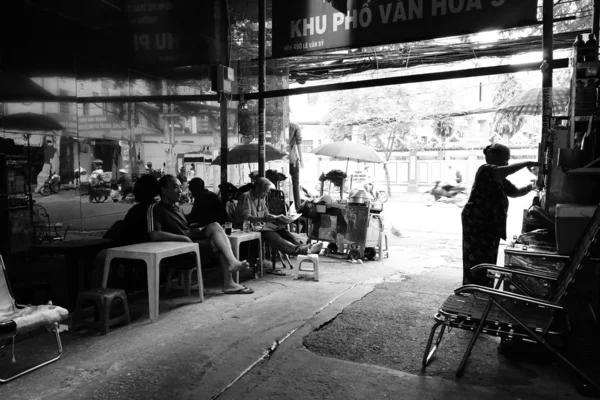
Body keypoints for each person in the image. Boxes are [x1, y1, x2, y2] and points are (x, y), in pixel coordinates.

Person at [148, 175, 253, 294]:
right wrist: (182, 238)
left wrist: (196, 229)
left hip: (190, 240)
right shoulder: (155, 208)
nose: (180, 191)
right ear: (163, 190)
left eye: (180, 188)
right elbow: (155, 235)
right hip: (179, 250)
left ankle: (233, 264)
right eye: (175, 187)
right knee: (219, 244)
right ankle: (229, 282)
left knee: (215, 226)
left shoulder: (177, 208)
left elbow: (185, 227)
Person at [461, 144, 538, 286]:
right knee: (477, 259)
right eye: (504, 159)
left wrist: (531, 187)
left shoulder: (499, 177)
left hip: (489, 225)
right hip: (477, 223)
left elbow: (514, 192)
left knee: (488, 258)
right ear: (493, 156)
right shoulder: (485, 170)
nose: (506, 163)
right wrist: (527, 163)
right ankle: (473, 289)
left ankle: (484, 288)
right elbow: (507, 170)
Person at [235, 177, 322, 256]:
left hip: (260, 227)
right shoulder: (246, 197)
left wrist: (275, 219)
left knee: (282, 229)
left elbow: (266, 213)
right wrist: (263, 219)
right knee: (271, 235)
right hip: (248, 229)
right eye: (265, 192)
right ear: (258, 188)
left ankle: (304, 247)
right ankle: (301, 250)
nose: (266, 195)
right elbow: (246, 218)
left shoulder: (260, 198)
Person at [289, 122, 303, 212]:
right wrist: (301, 159)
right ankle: (298, 208)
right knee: (295, 183)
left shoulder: (279, 123)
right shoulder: (295, 126)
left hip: (281, 159)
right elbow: (299, 144)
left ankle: (282, 206)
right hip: (292, 159)